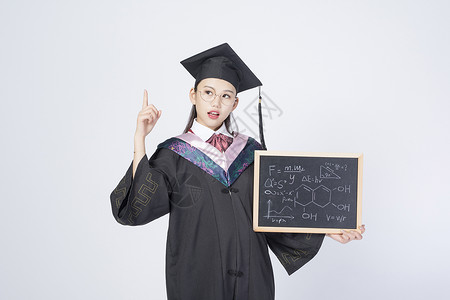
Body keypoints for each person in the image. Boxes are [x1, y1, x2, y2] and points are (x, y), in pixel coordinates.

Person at [110, 43, 365, 300]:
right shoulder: (173, 154)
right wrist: (140, 139)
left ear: (235, 103)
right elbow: (136, 210)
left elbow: (276, 213)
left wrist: (327, 228)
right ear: (193, 95)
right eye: (208, 92)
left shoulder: (252, 153)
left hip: (252, 279)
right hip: (197, 279)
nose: (216, 102)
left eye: (226, 96)